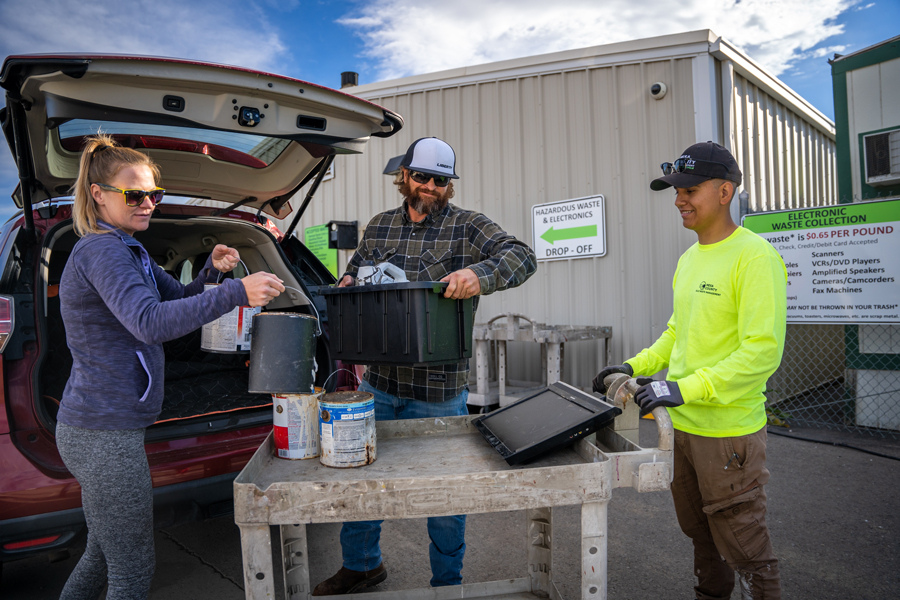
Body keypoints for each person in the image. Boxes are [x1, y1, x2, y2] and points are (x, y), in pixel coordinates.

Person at [56, 135, 285, 600]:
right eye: (134, 194)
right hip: (103, 435)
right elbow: (147, 322)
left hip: (104, 428)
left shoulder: (130, 249)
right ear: (98, 193)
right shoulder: (102, 250)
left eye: (153, 195)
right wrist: (237, 293)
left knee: (102, 556)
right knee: (133, 571)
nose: (147, 204)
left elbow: (178, 301)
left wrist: (212, 275)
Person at [313, 137, 537, 595]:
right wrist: (351, 280)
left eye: (440, 179)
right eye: (422, 176)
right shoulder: (379, 227)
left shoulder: (467, 226)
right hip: (379, 384)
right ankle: (361, 567)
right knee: (359, 481)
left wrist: (480, 275)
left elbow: (523, 256)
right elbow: (354, 270)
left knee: (447, 496)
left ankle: (446, 585)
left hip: (439, 391)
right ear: (405, 177)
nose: (431, 185)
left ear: (448, 185)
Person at [593, 141, 786, 600]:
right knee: (701, 536)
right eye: (675, 190)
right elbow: (679, 332)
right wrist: (634, 365)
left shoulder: (755, 257)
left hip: (727, 433)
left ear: (725, 192)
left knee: (745, 547)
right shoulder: (690, 258)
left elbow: (761, 351)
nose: (679, 199)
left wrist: (685, 388)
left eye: (690, 189)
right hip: (680, 428)